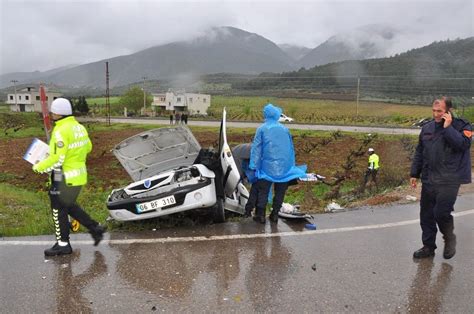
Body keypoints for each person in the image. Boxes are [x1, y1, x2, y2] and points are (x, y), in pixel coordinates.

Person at [32, 98, 107, 256]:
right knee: (68, 206)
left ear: (57, 113)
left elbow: (57, 159)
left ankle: (63, 245)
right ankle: (95, 228)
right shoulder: (79, 128)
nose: (51, 114)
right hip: (78, 176)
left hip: (63, 177)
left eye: (53, 111)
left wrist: (38, 167)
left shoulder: (60, 130)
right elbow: (88, 148)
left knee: (58, 209)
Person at [410, 97, 472, 259]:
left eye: (440, 111)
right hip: (430, 177)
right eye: (434, 111)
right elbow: (420, 152)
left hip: (450, 179)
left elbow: (463, 145)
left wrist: (447, 128)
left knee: (441, 213)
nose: (436, 114)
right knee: (426, 214)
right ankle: (428, 247)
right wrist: (414, 173)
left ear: (448, 111)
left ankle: (449, 238)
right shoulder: (427, 128)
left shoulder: (462, 126)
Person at [249, 104, 306, 224]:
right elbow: (290, 148)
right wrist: (291, 165)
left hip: (266, 167)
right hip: (284, 167)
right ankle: (275, 214)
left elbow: (256, 149)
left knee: (263, 191)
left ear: (265, 115)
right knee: (280, 191)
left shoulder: (262, 129)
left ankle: (261, 216)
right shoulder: (285, 129)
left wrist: (253, 165)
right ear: (276, 115)